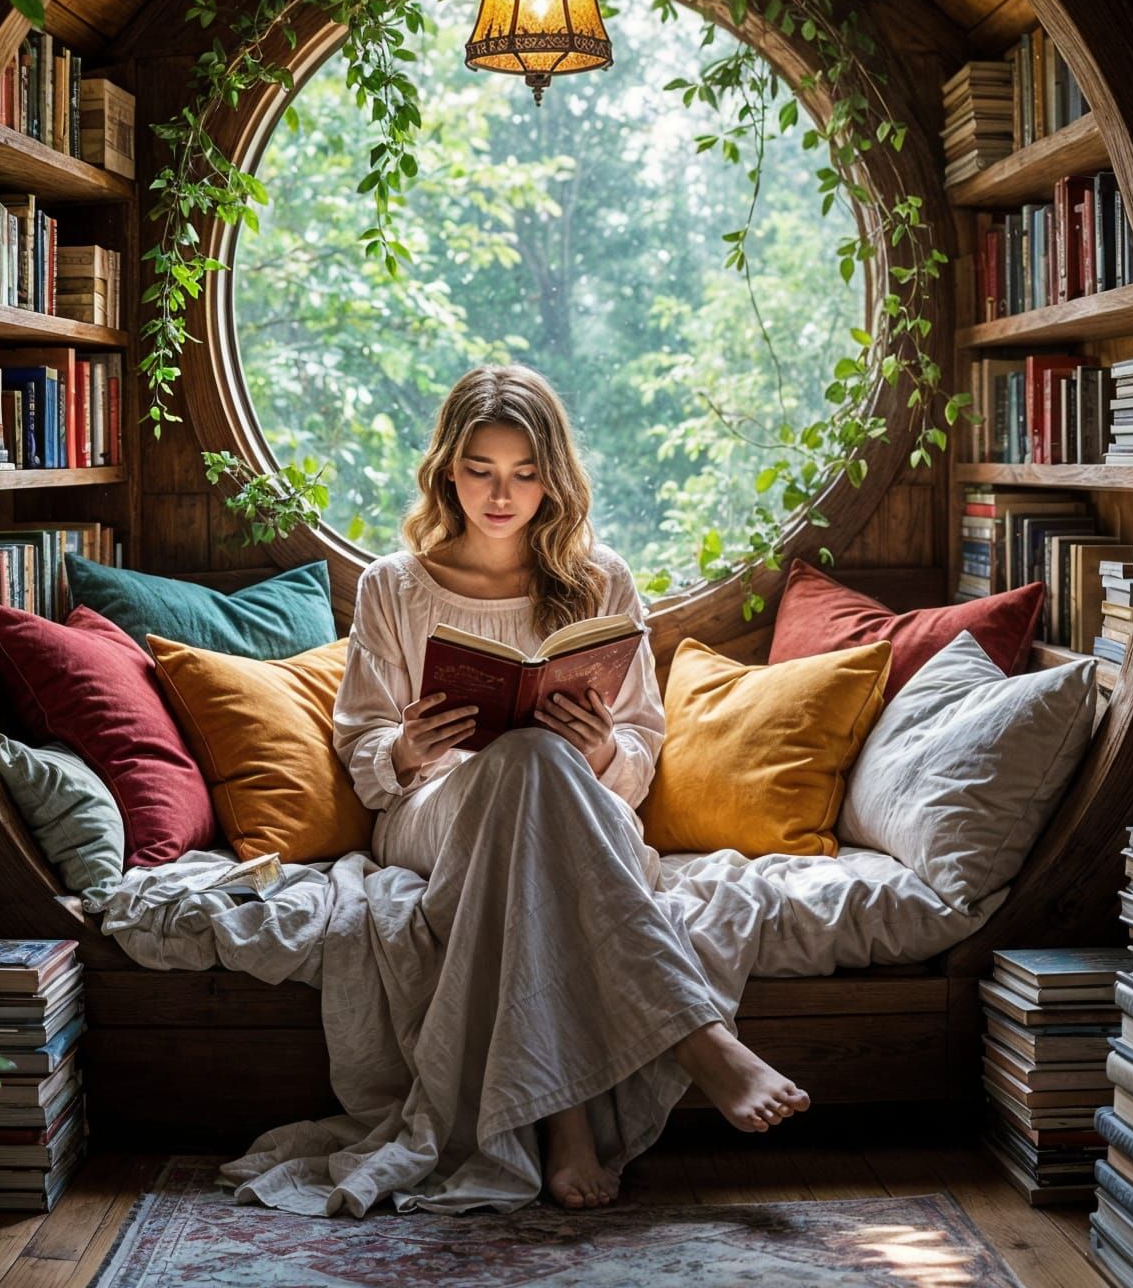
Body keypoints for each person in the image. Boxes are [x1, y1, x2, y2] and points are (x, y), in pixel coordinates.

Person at [333, 365, 809, 1211]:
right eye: (480, 469)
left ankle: (567, 1122)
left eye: (523, 472)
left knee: (539, 764)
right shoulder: (393, 585)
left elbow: (642, 746)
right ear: (448, 468)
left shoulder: (599, 580)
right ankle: (700, 1038)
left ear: (554, 478)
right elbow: (360, 746)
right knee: (521, 762)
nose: (500, 492)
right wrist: (405, 747)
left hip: (577, 809)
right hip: (432, 815)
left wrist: (598, 753)